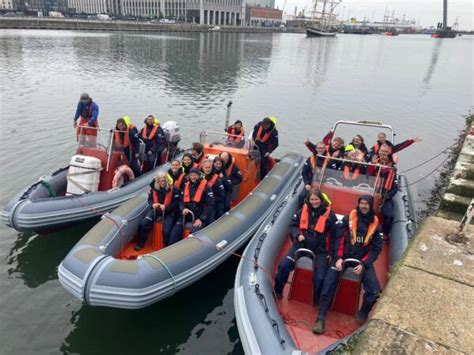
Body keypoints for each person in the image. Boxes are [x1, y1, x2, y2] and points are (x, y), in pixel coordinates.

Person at [313, 195, 384, 334]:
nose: (363, 206)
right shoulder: (348, 220)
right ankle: (321, 318)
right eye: (361, 203)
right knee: (328, 284)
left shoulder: (376, 227)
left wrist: (364, 263)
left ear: (370, 206)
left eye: (366, 204)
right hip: (343, 257)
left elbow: (376, 249)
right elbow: (338, 239)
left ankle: (363, 312)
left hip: (363, 261)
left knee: (374, 291)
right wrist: (338, 257)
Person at [274, 189, 338, 304]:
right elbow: (292, 225)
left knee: (320, 278)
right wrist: (297, 235)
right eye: (312, 199)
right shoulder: (302, 211)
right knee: (284, 266)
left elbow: (335, 236)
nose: (314, 202)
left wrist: (332, 254)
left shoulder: (330, 216)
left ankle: (318, 300)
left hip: (320, 250)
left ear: (321, 200)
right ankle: (278, 290)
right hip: (301, 245)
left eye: (316, 199)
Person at [135, 172, 182, 251]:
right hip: (156, 210)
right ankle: (141, 243)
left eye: (164, 181)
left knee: (166, 231)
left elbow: (177, 203)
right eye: (160, 181)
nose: (162, 183)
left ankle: (165, 248)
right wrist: (153, 204)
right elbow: (150, 200)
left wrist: (166, 207)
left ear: (167, 180)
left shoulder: (174, 190)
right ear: (157, 181)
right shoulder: (154, 189)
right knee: (143, 224)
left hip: (169, 212)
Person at [367, 144, 398, 235]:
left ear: (388, 153)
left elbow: (395, 187)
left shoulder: (392, 169)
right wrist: (373, 164)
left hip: (385, 196)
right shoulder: (374, 163)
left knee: (389, 216)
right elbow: (368, 176)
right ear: (379, 151)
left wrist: (385, 196)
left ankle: (385, 233)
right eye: (381, 151)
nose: (383, 153)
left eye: (385, 152)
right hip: (372, 192)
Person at [180, 168, 215, 233]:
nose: (193, 177)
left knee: (194, 232)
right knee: (175, 231)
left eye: (195, 175)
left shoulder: (206, 187)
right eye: (191, 175)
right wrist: (183, 208)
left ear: (199, 175)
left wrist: (201, 219)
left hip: (202, 215)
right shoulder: (186, 186)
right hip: (189, 214)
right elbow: (181, 201)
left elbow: (210, 205)